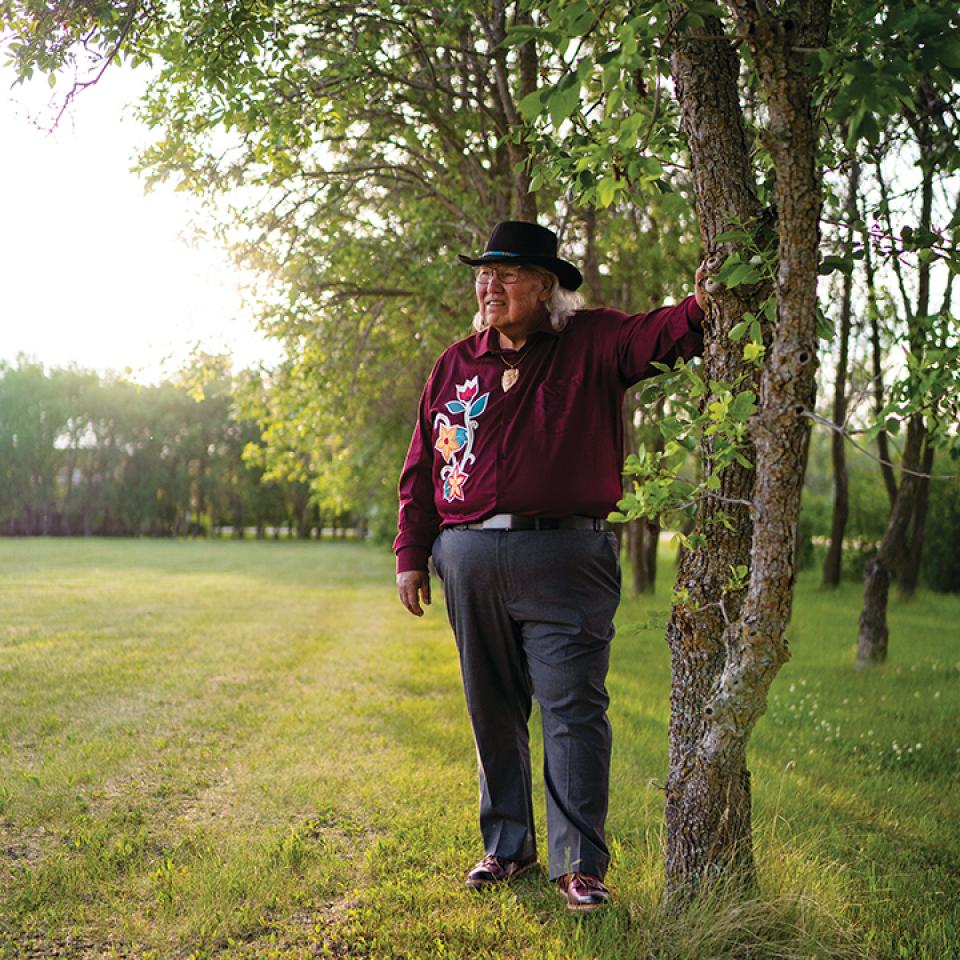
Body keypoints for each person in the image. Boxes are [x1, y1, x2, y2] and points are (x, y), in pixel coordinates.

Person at [394, 220, 706, 912]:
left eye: (505, 274)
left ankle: (579, 865)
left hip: (566, 557)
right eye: (483, 273)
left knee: (573, 709)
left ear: (546, 286)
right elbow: (424, 460)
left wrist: (702, 305)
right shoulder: (456, 363)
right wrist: (412, 552)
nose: (488, 285)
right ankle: (507, 847)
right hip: (468, 556)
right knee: (491, 708)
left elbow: (661, 338)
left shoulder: (592, 340)